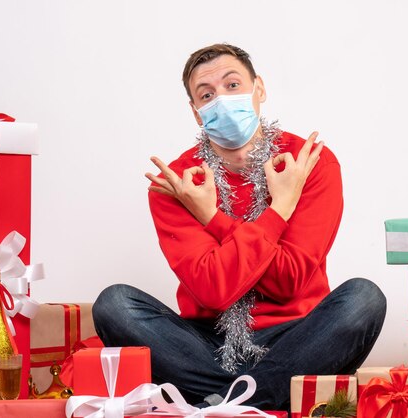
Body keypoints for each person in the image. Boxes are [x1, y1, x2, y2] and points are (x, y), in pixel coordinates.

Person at [93, 43, 386, 410]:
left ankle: (218, 404)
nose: (222, 100)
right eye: (207, 94)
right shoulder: (178, 182)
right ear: (197, 113)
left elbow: (288, 281)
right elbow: (214, 291)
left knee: (363, 299)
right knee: (114, 304)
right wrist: (279, 210)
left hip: (297, 338)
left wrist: (212, 219)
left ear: (259, 89)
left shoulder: (310, 163)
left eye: (233, 85)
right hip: (206, 344)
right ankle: (256, 398)